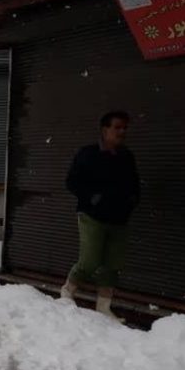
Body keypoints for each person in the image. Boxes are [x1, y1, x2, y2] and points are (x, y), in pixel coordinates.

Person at [59, 111, 140, 319]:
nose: (122, 132)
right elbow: (72, 182)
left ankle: (104, 307)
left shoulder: (126, 156)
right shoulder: (88, 154)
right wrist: (92, 197)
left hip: (119, 218)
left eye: (124, 128)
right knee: (90, 260)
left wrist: (131, 202)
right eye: (117, 127)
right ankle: (67, 292)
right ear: (105, 130)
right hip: (92, 216)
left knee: (112, 264)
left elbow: (134, 185)